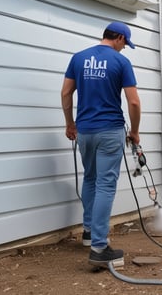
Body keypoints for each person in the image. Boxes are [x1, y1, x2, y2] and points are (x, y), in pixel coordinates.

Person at [61, 21, 141, 267]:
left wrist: (70, 124)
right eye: (124, 43)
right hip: (110, 131)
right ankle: (99, 248)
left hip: (85, 131)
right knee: (106, 185)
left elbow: (65, 93)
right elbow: (134, 103)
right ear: (117, 37)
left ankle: (88, 232)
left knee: (90, 179)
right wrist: (135, 132)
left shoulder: (78, 58)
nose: (124, 48)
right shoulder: (120, 63)